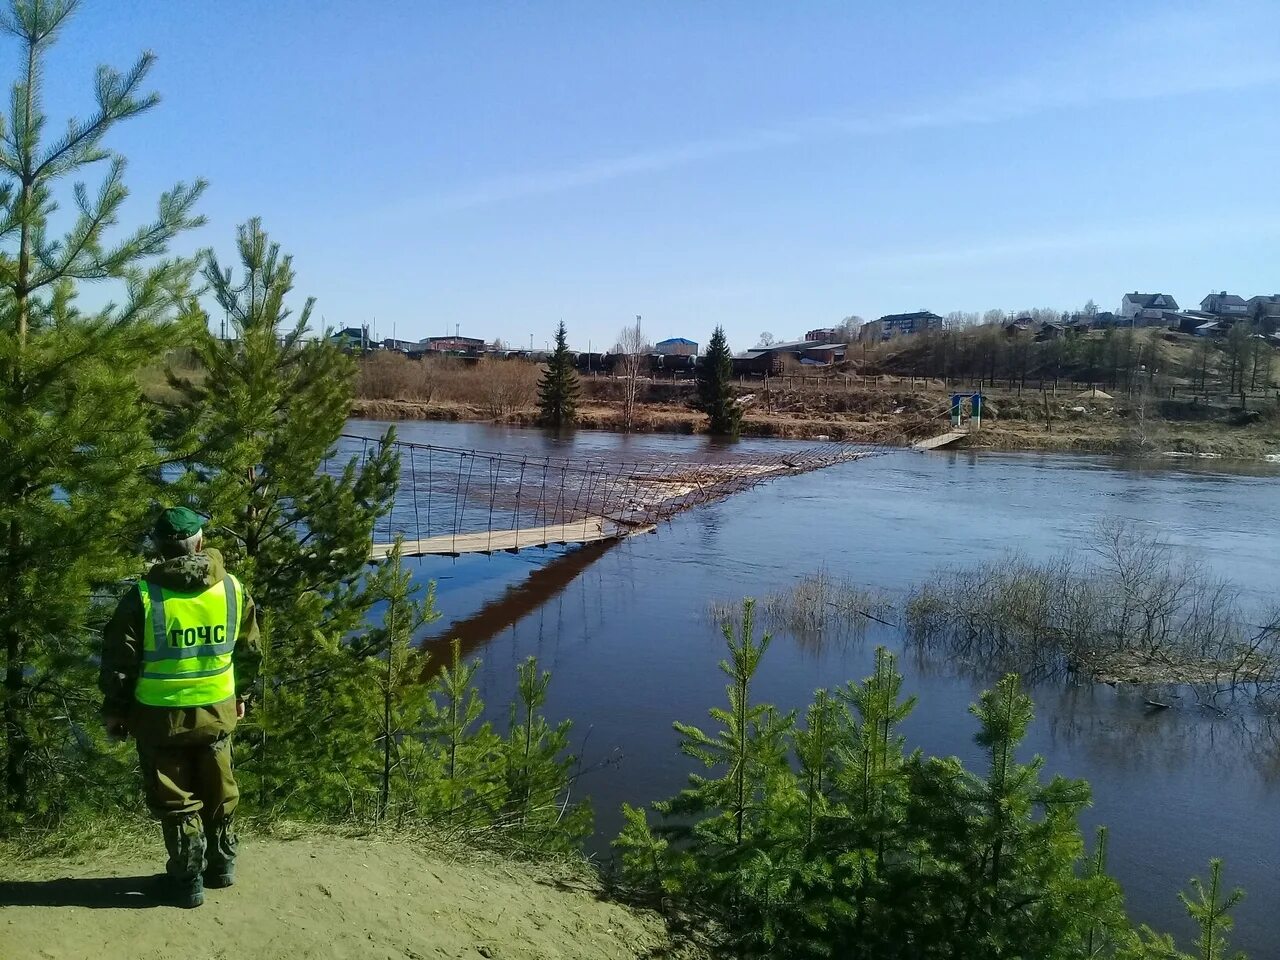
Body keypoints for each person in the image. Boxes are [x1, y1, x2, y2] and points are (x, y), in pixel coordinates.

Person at [100, 507, 261, 908]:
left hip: (160, 717)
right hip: (218, 712)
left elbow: (120, 663)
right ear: (200, 543)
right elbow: (250, 652)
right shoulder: (232, 589)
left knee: (177, 800)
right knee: (219, 788)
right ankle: (221, 867)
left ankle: (187, 881)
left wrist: (117, 712)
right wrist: (242, 696)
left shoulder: (142, 596)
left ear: (158, 548)